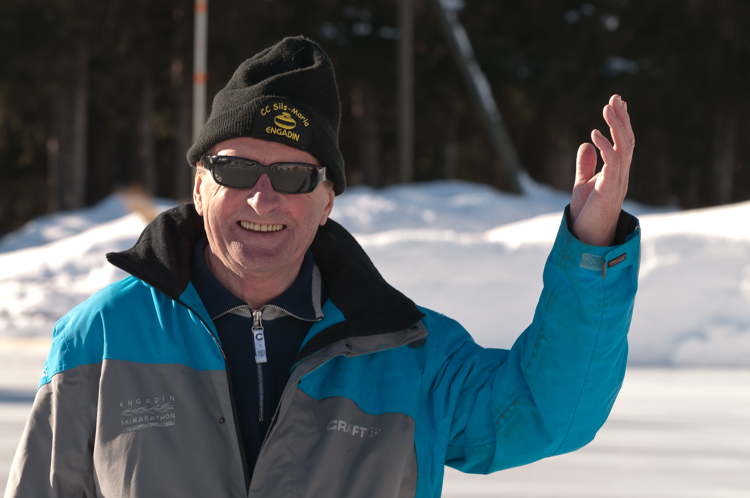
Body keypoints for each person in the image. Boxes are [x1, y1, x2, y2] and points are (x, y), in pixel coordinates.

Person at [6, 36, 639, 498]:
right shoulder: (99, 343)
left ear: (327, 200)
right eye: (234, 169)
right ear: (198, 185)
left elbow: (546, 413)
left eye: (291, 174)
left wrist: (592, 247)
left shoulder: (409, 353)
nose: (262, 196)